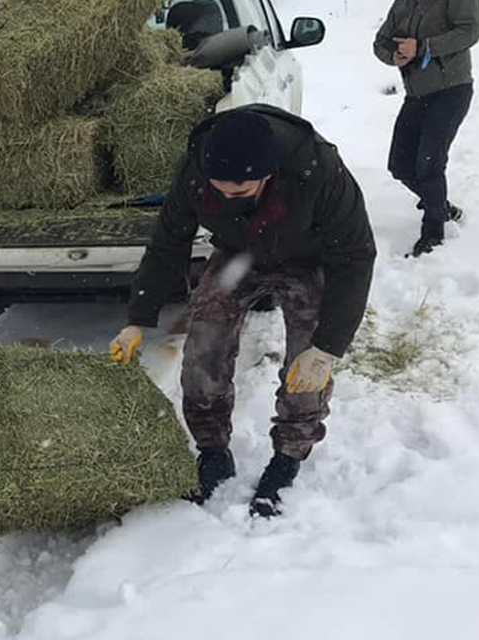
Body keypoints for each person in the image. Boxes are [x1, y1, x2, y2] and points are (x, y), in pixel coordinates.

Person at [109, 106, 376, 518]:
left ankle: (289, 455)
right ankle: (212, 448)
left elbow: (356, 256)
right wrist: (137, 319)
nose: (227, 198)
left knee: (306, 366)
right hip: (240, 255)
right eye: (220, 191)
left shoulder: (317, 169)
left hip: (308, 256)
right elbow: (168, 243)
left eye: (240, 192)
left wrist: (328, 346)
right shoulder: (196, 172)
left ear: (269, 174)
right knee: (203, 348)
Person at [374, 0, 479, 257]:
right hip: (416, 95)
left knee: (429, 165)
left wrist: (423, 47)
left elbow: (470, 31)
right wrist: (393, 55)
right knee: (399, 165)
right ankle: (440, 206)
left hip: (451, 90)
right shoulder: (403, 3)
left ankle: (434, 234)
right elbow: (381, 41)